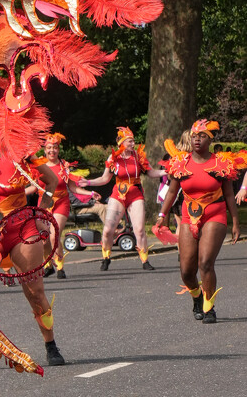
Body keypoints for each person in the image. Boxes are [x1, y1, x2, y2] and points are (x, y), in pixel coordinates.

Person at [0, 115, 64, 366]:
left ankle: (50, 345)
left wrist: (43, 211)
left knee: (35, 292)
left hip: (22, 228)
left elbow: (51, 182)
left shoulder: (20, 155)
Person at [156, 120, 241, 324]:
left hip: (215, 214)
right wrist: (162, 216)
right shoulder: (180, 163)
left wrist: (235, 222)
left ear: (210, 139)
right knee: (186, 270)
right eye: (194, 136)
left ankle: (209, 307)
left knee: (205, 262)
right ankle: (197, 297)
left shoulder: (220, 163)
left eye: (202, 136)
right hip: (188, 216)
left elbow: (229, 195)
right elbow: (172, 193)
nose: (197, 139)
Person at [80, 127, 163, 271]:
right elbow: (105, 179)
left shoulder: (139, 156)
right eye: (130, 141)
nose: (133, 144)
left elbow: (151, 173)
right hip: (118, 195)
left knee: (140, 229)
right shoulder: (113, 158)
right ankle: (106, 257)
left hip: (135, 194)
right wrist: (88, 182)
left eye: (133, 141)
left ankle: (145, 260)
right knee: (107, 230)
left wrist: (167, 171)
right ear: (122, 143)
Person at [32, 133, 97, 279]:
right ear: (44, 149)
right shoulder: (38, 166)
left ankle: (60, 266)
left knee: (55, 235)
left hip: (61, 202)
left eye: (55, 148)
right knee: (44, 238)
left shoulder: (64, 166)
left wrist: (90, 193)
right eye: (49, 148)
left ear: (58, 149)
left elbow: (74, 188)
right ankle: (48, 265)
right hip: (44, 203)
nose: (52, 151)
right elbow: (33, 187)